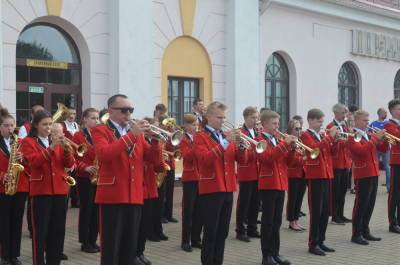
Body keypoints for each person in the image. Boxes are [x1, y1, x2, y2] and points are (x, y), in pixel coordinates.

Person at [92, 94, 162, 265]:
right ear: (110, 111)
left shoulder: (136, 134)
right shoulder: (101, 130)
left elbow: (155, 162)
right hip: (113, 195)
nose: (128, 114)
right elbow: (104, 154)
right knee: (111, 248)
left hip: (135, 195)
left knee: (129, 248)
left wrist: (154, 141)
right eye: (124, 110)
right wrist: (132, 135)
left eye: (131, 110)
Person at [194, 101, 246, 265]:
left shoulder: (224, 136)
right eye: (219, 117)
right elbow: (205, 160)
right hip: (211, 189)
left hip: (227, 187)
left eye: (224, 117)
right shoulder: (200, 136)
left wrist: (241, 147)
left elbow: (241, 160)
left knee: (222, 232)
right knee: (211, 232)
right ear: (208, 117)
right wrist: (225, 142)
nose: (222, 121)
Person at [21, 112, 75, 265]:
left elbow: (68, 164)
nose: (48, 127)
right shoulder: (28, 142)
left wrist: (66, 150)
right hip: (41, 191)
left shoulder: (55, 141)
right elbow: (34, 163)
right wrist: (52, 147)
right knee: (41, 232)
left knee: (58, 231)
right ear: (36, 125)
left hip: (59, 190)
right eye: (45, 124)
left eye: (50, 124)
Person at [257, 110, 296, 265]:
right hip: (268, 185)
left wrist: (292, 149)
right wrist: (284, 145)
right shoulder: (259, 140)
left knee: (277, 221)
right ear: (264, 124)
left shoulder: (276, 139)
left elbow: (288, 162)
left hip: (280, 183)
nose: (277, 126)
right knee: (267, 222)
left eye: (278, 123)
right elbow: (268, 158)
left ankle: (275, 253)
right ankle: (266, 256)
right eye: (274, 123)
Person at [300, 108, 338, 256]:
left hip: (327, 175)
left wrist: (334, 141)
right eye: (318, 121)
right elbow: (313, 151)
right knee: (316, 212)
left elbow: (331, 154)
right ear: (310, 120)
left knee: (325, 212)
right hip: (315, 176)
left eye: (322, 121)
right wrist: (329, 138)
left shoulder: (321, 135)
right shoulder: (305, 135)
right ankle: (313, 243)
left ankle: (321, 241)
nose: (321, 124)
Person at [348, 110, 387, 245]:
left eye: (367, 120)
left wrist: (384, 139)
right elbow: (361, 151)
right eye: (364, 120)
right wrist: (375, 138)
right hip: (363, 173)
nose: (367, 122)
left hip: (374, 172)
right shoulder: (353, 135)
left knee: (370, 204)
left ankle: (365, 230)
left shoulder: (368, 134)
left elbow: (381, 148)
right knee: (361, 204)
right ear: (357, 121)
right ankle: (356, 234)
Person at [0, 109, 28, 265]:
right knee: (4, 222)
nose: (10, 128)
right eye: (6, 125)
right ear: (0, 127)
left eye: (12, 125)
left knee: (17, 222)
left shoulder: (21, 142)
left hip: (20, 187)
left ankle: (14, 255)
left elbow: (29, 165)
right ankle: (5, 255)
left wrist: (23, 158)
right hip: (3, 189)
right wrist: (3, 176)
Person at [72, 108, 100, 253]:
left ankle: (93, 240)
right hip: (85, 177)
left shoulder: (100, 135)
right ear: (84, 119)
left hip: (98, 177)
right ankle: (85, 242)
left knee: (96, 211)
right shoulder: (78, 136)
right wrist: (85, 167)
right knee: (86, 210)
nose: (96, 121)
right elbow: (73, 158)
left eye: (97, 118)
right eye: (93, 118)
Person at [236, 107, 261, 243]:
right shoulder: (241, 132)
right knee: (244, 202)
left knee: (255, 202)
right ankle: (240, 230)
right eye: (253, 117)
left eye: (257, 117)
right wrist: (256, 152)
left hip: (257, 172)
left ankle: (252, 228)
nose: (256, 120)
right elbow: (241, 153)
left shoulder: (257, 131)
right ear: (246, 118)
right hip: (246, 171)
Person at [180, 113, 202, 252]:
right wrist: (196, 144)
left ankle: (196, 239)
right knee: (188, 211)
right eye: (193, 125)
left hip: (201, 177)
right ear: (187, 126)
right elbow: (187, 156)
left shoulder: (198, 137)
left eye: (197, 124)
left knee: (200, 211)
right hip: (189, 178)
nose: (196, 127)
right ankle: (185, 241)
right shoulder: (183, 139)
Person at [327, 103, 352, 225]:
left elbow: (348, 141)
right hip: (336, 163)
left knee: (343, 191)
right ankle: (334, 216)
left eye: (345, 113)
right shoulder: (330, 126)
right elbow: (332, 144)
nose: (345, 115)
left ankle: (341, 214)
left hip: (345, 162)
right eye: (343, 113)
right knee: (335, 191)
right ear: (336, 113)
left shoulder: (345, 125)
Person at [286, 119, 306, 232]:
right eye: (296, 129)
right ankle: (291, 221)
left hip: (302, 172)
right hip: (292, 173)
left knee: (299, 198)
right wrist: (302, 159)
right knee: (292, 198)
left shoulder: (300, 140)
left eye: (300, 129)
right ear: (291, 129)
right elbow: (290, 161)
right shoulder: (289, 141)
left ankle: (296, 220)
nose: (299, 131)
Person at [384, 99, 400, 234]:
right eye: (398, 109)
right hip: (396, 161)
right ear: (392, 111)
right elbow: (395, 137)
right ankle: (392, 222)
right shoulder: (389, 124)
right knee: (394, 193)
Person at [370, 108, 390, 192]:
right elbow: (370, 134)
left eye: (386, 112)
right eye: (384, 112)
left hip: (386, 148)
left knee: (388, 168)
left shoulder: (388, 123)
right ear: (379, 113)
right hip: (376, 148)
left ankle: (389, 187)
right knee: (375, 167)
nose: (386, 114)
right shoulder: (373, 124)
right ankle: (373, 187)